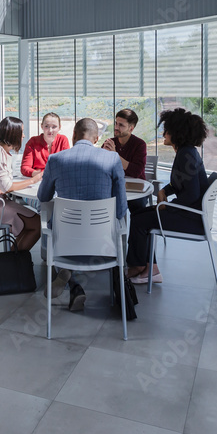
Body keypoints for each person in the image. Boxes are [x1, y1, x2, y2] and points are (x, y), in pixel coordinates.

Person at [38, 117, 128, 312]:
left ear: (73, 135)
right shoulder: (112, 159)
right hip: (102, 246)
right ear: (96, 139)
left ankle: (72, 280)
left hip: (65, 244)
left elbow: (43, 196)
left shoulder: (55, 160)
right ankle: (79, 282)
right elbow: (121, 210)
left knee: (50, 223)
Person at [126, 108, 209, 284]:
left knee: (139, 221)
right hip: (192, 215)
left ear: (177, 132)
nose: (163, 134)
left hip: (191, 219)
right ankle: (151, 268)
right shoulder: (187, 152)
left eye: (167, 130)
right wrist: (164, 191)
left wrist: (167, 206)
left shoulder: (185, 154)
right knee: (138, 215)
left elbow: (192, 194)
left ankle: (140, 266)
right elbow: (182, 183)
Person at [0, 117, 42, 252]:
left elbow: (3, 184)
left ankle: (13, 259)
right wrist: (33, 180)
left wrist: (4, 186)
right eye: (22, 132)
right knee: (37, 224)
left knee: (33, 223)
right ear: (13, 134)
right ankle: (13, 260)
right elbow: (8, 187)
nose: (23, 136)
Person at [101, 108, 147, 180]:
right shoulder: (109, 143)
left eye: (121, 125)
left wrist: (115, 156)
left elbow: (137, 172)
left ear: (131, 129)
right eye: (116, 123)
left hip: (135, 183)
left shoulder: (140, 144)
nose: (116, 127)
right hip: (114, 182)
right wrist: (101, 156)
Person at [20, 112, 70, 177]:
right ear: (42, 126)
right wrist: (38, 174)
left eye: (54, 127)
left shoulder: (63, 140)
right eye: (47, 126)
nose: (50, 130)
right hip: (38, 179)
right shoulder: (32, 142)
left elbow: (67, 164)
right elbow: (25, 168)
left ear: (59, 127)